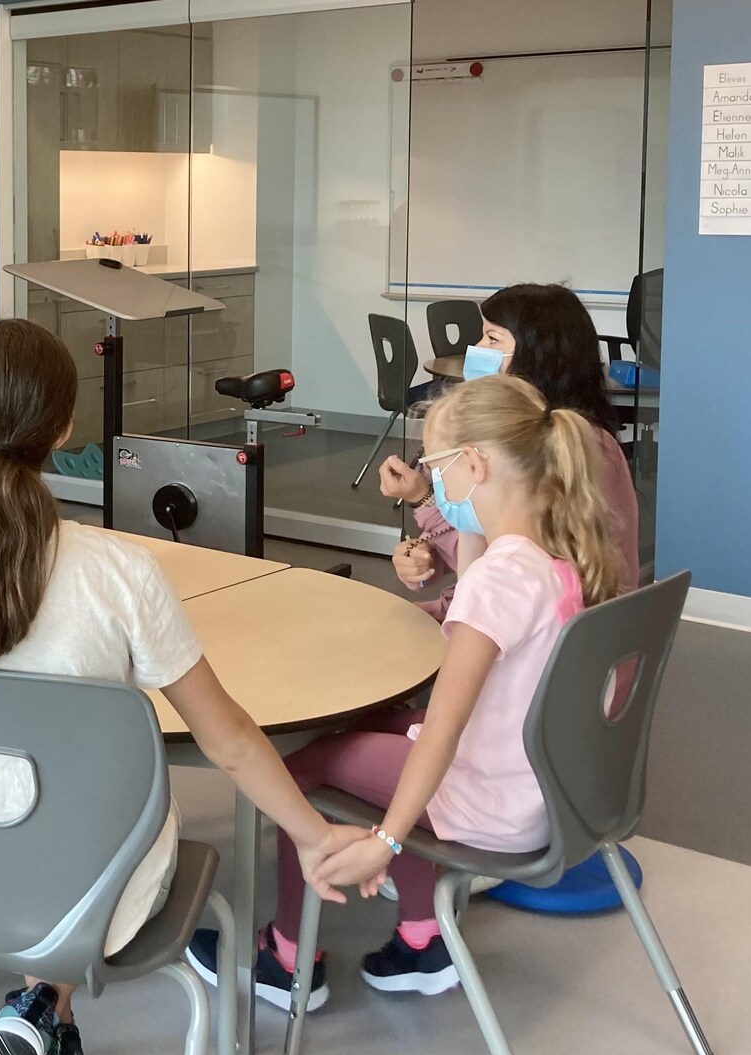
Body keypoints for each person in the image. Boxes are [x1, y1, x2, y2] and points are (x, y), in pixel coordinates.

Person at [0, 318, 368, 1055]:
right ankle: (39, 1014)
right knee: (84, 817)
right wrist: (313, 837)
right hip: (103, 902)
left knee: (5, 801)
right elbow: (226, 737)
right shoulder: (121, 575)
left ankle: (38, 1024)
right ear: (64, 431)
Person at [198, 374, 624, 1005]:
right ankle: (422, 937)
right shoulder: (555, 558)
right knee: (375, 730)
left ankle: (286, 959)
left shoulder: (497, 583)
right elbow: (471, 601)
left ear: (474, 465)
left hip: (490, 802)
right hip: (544, 789)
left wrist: (385, 841)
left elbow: (443, 728)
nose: (432, 481)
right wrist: (465, 522)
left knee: (294, 772)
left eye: (436, 466)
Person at [378, 283, 637, 618]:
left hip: (533, 631)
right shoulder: (513, 437)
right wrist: (424, 554)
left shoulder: (570, 450)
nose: (477, 349)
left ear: (537, 354)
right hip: (502, 617)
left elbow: (508, 573)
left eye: (492, 339)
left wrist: (423, 500)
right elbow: (484, 542)